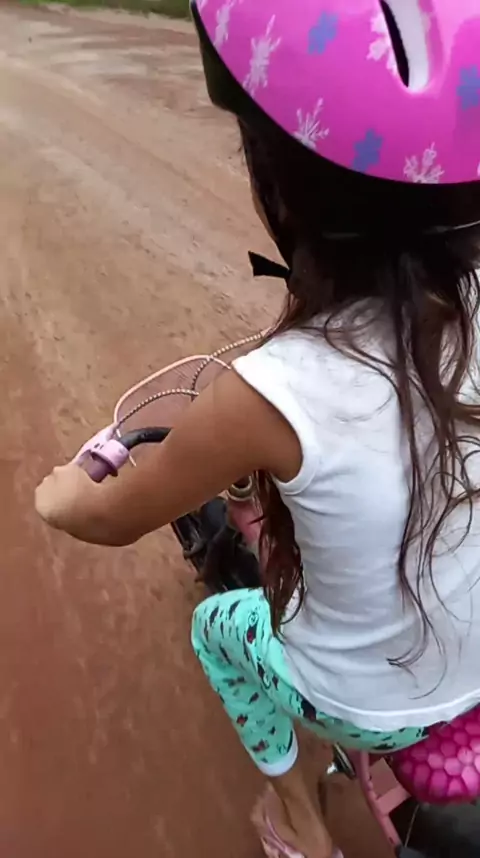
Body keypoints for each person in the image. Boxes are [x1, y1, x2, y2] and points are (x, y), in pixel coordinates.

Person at [35, 1, 480, 856]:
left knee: (218, 632)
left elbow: (110, 516)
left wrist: (59, 497)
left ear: (279, 188)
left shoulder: (265, 395)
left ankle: (299, 818)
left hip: (366, 706)